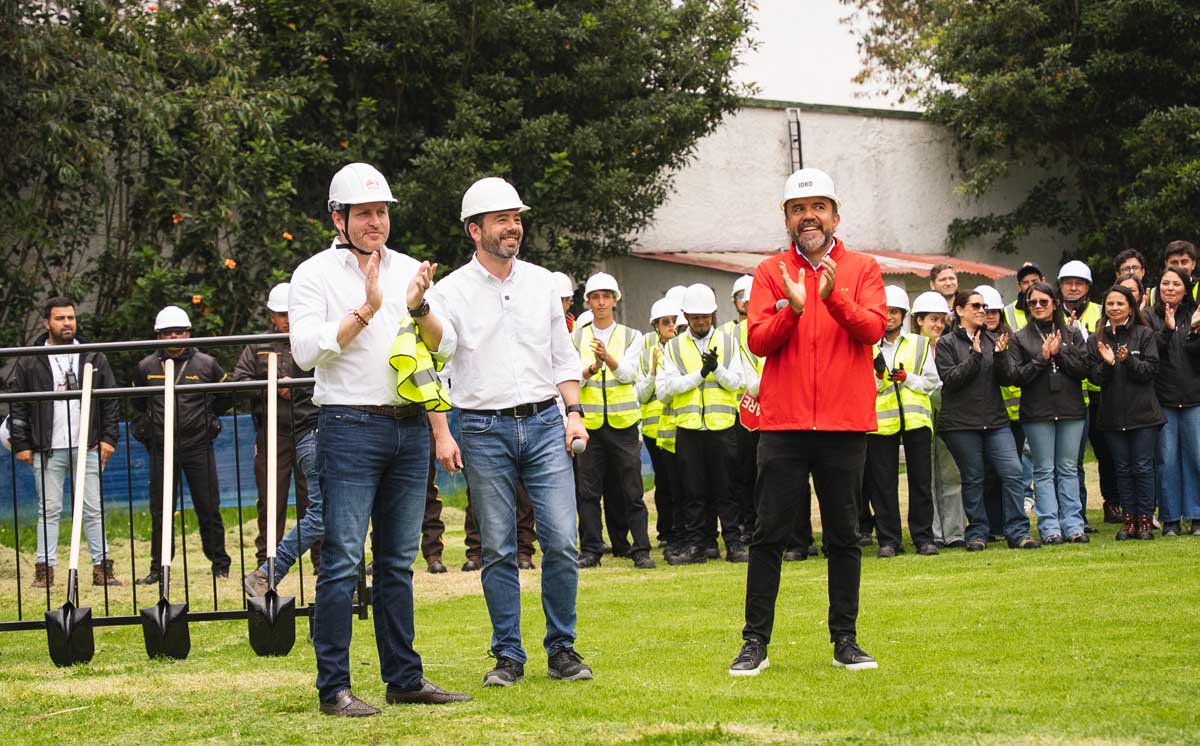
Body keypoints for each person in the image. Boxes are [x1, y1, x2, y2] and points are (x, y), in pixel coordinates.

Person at [289, 162, 468, 716]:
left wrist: (418, 306)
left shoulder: (412, 269)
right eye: (364, 213)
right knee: (342, 559)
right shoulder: (313, 274)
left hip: (408, 427)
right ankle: (334, 689)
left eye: (382, 212)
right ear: (338, 217)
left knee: (395, 561)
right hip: (347, 426)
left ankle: (405, 679)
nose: (376, 222)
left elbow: (446, 347)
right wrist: (365, 309)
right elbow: (304, 352)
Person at [428, 176, 593, 687]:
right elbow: (434, 362)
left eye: (517, 219)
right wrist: (442, 432)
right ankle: (508, 656)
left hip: (546, 422)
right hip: (481, 428)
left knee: (563, 540)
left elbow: (562, 355)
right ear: (474, 230)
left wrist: (573, 411)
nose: (513, 228)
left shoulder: (544, 283)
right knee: (497, 546)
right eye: (502, 219)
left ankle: (562, 649)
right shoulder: (448, 292)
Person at [729, 167, 886, 677]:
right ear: (787, 219)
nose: (808, 216)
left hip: (843, 424)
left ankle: (845, 640)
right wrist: (793, 310)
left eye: (818, 207)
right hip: (784, 424)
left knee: (844, 535)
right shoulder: (770, 271)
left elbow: (874, 329)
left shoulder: (862, 267)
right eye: (798, 209)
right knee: (769, 535)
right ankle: (755, 642)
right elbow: (757, 340)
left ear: (835, 215)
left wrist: (832, 297)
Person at [11, 296, 122, 588]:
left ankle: (102, 569)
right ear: (47, 322)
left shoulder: (93, 356)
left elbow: (109, 401)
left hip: (88, 445)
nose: (67, 323)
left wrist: (109, 438)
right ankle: (44, 572)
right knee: (48, 510)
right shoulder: (30, 360)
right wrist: (22, 444)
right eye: (60, 318)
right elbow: (18, 405)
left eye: (71, 317)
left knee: (93, 509)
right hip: (47, 448)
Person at [132, 305, 232, 585]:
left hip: (198, 446)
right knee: (160, 510)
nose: (174, 337)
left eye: (179, 331)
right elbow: (138, 403)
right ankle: (158, 568)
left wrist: (209, 421)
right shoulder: (145, 367)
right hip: (162, 448)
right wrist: (147, 429)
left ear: (189, 332)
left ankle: (220, 564)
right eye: (167, 333)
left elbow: (226, 397)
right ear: (158, 335)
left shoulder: (207, 364)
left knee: (208, 506)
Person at [935, 289, 1039, 552]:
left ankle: (1017, 531)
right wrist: (976, 356)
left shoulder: (995, 339)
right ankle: (978, 532)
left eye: (985, 306)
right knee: (974, 478)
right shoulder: (946, 343)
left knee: (1013, 473)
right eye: (976, 306)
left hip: (995, 421)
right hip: (960, 424)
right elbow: (952, 379)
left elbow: (1009, 379)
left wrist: (1002, 356)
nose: (983, 310)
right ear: (959, 310)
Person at [232, 283, 319, 576]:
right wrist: (269, 389)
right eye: (281, 314)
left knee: (314, 496)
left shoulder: (310, 340)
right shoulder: (257, 345)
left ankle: (322, 560)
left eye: (291, 312)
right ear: (271, 316)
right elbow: (238, 381)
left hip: (311, 426)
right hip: (272, 430)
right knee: (271, 497)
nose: (287, 319)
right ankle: (266, 558)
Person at [656, 283, 745, 565]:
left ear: (714, 314)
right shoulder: (674, 347)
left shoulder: (730, 343)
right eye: (695, 317)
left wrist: (716, 369)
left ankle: (733, 544)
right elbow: (666, 390)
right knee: (692, 491)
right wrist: (701, 374)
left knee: (727, 489)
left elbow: (739, 382)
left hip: (722, 427)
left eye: (705, 316)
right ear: (686, 316)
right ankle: (698, 546)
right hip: (690, 428)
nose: (700, 321)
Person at [572, 272, 653, 569]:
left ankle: (641, 548)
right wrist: (590, 370)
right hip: (590, 424)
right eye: (596, 297)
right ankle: (592, 549)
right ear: (588, 302)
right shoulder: (576, 337)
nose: (601, 302)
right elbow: (569, 379)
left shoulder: (633, 336)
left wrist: (610, 360)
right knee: (588, 491)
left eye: (607, 296)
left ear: (615, 300)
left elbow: (632, 374)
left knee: (631, 489)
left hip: (624, 423)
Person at [1007, 282, 1090, 544]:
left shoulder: (1073, 333)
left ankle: (1074, 525)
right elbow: (1017, 377)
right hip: (1037, 411)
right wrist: (1042, 358)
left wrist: (1060, 351)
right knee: (1043, 470)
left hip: (1070, 410)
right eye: (1033, 303)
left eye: (1044, 301)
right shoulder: (1019, 337)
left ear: (1055, 303)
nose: (1039, 307)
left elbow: (1083, 369)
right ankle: (1050, 527)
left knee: (1068, 468)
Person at [862, 286, 940, 558]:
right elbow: (863, 387)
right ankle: (888, 540)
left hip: (916, 421)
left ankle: (923, 538)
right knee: (882, 484)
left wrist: (907, 378)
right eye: (884, 312)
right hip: (882, 423)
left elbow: (932, 382)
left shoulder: (919, 344)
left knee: (920, 481)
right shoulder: (867, 346)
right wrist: (881, 376)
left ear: (904, 315)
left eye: (894, 312)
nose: (889, 317)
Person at [1087, 284, 1164, 540]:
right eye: (1110, 304)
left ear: (1130, 306)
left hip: (1143, 415)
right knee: (1122, 468)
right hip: (1111, 416)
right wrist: (1108, 365)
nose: (1115, 308)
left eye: (1120, 303)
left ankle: (1144, 520)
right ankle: (1128, 519)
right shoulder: (1096, 337)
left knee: (1142, 467)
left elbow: (1150, 371)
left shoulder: (1144, 334)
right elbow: (1094, 378)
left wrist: (1128, 360)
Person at [1058, 260, 1114, 528]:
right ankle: (1075, 514)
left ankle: (1112, 504)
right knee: (1073, 461)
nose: (1072, 287)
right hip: (1072, 396)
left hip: (1102, 394)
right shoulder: (1052, 312)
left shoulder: (1102, 312)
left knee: (1107, 454)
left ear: (1088, 287)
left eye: (1078, 283)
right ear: (1060, 286)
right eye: (1068, 282)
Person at [911, 292, 966, 549]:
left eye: (942, 320)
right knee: (926, 479)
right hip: (921, 420)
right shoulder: (909, 346)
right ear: (918, 320)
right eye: (933, 319)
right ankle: (932, 533)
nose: (938, 325)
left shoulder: (949, 346)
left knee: (951, 475)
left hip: (948, 417)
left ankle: (954, 532)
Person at [1147, 268, 1200, 536]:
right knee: (1167, 461)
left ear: (1185, 287)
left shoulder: (1195, 314)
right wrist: (1167, 331)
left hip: (1194, 398)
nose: (1169, 287)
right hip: (1163, 399)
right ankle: (1169, 518)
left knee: (1196, 458)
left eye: (1176, 283)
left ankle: (1196, 515)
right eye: (1165, 283)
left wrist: (1193, 330)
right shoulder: (1148, 316)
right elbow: (1151, 352)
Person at [638, 298, 680, 550]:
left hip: (681, 424)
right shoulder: (645, 355)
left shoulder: (684, 349)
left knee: (683, 481)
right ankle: (666, 531)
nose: (671, 326)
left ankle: (683, 528)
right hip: (655, 429)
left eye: (674, 321)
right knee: (664, 482)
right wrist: (653, 370)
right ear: (655, 325)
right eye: (666, 322)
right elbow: (641, 395)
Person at [1003, 263, 1044, 331]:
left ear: (1043, 281)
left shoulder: (1054, 305)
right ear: (1019, 285)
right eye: (1025, 282)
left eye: (1034, 281)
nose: (1031, 285)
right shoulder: (1008, 311)